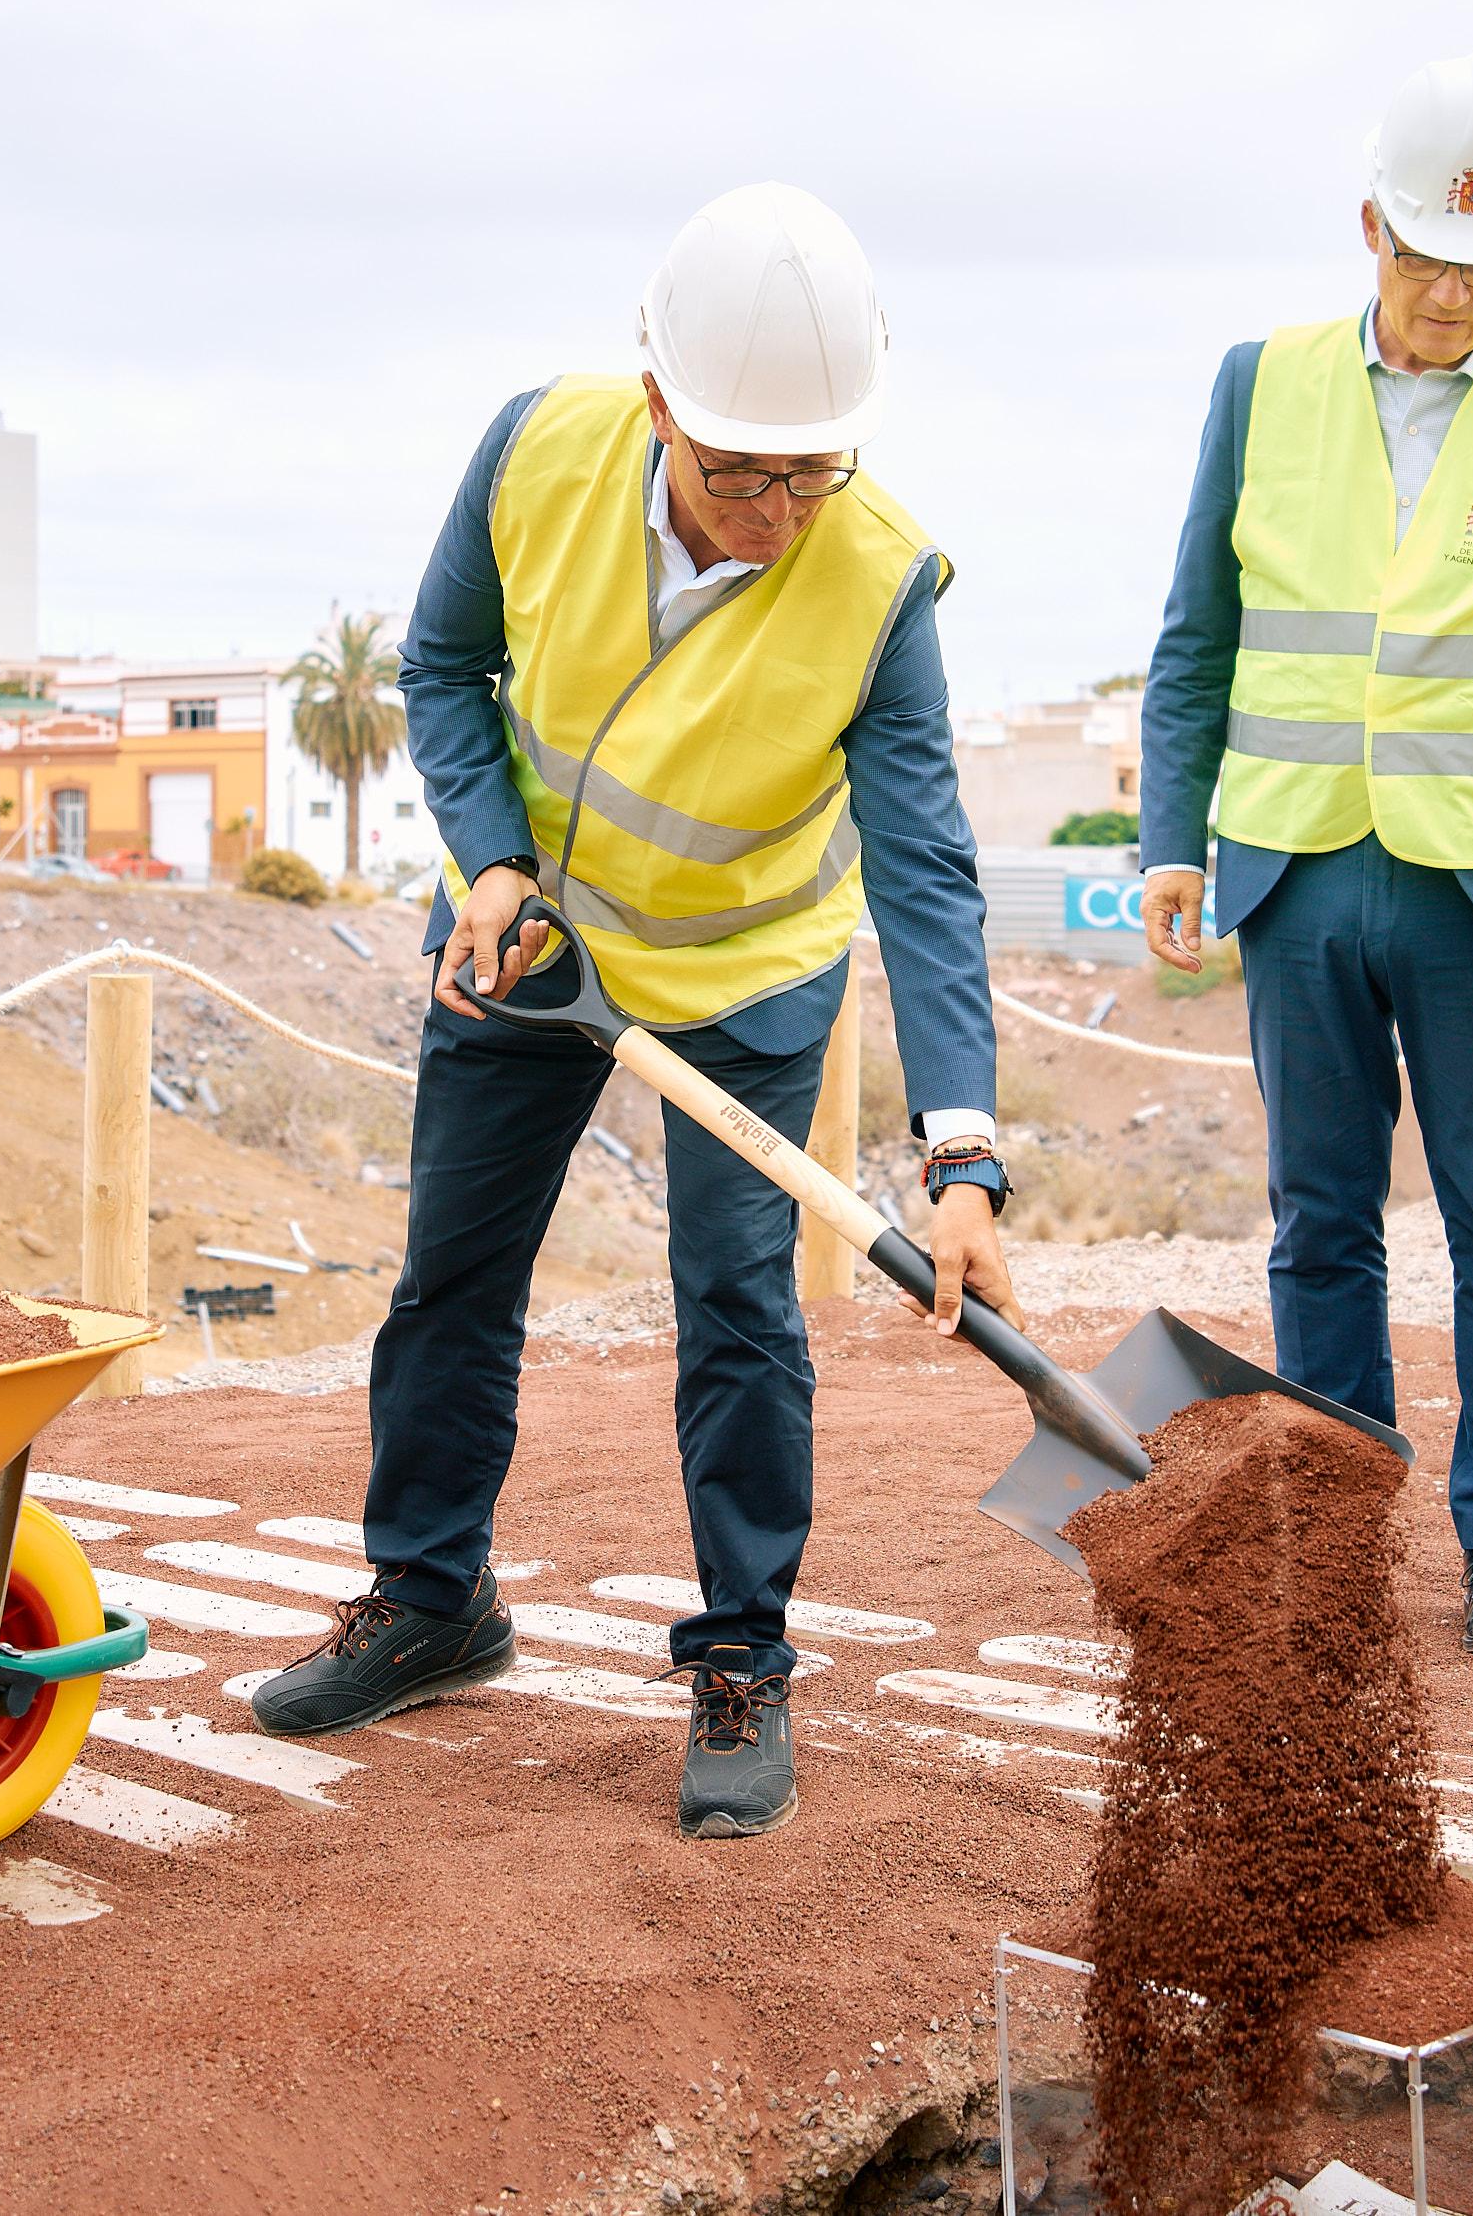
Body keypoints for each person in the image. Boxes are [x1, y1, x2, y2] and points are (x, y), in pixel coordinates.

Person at [248, 183, 1020, 1840]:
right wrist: (489, 861)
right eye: (743, 470)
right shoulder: (538, 455)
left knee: (739, 1310)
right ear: (660, 401)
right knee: (452, 1274)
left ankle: (742, 1653)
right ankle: (430, 1600)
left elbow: (930, 869)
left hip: (746, 977)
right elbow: (443, 669)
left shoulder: (881, 582)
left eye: (815, 470)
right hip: (532, 948)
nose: (781, 509)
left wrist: (963, 1154)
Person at [1138, 54, 1473, 1662]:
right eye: (1430, 260)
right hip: (1296, 872)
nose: (1455, 295)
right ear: (1369, 228)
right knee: (1319, 1218)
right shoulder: (1261, 381)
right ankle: (1341, 1526)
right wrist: (1176, 841)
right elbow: (1198, 636)